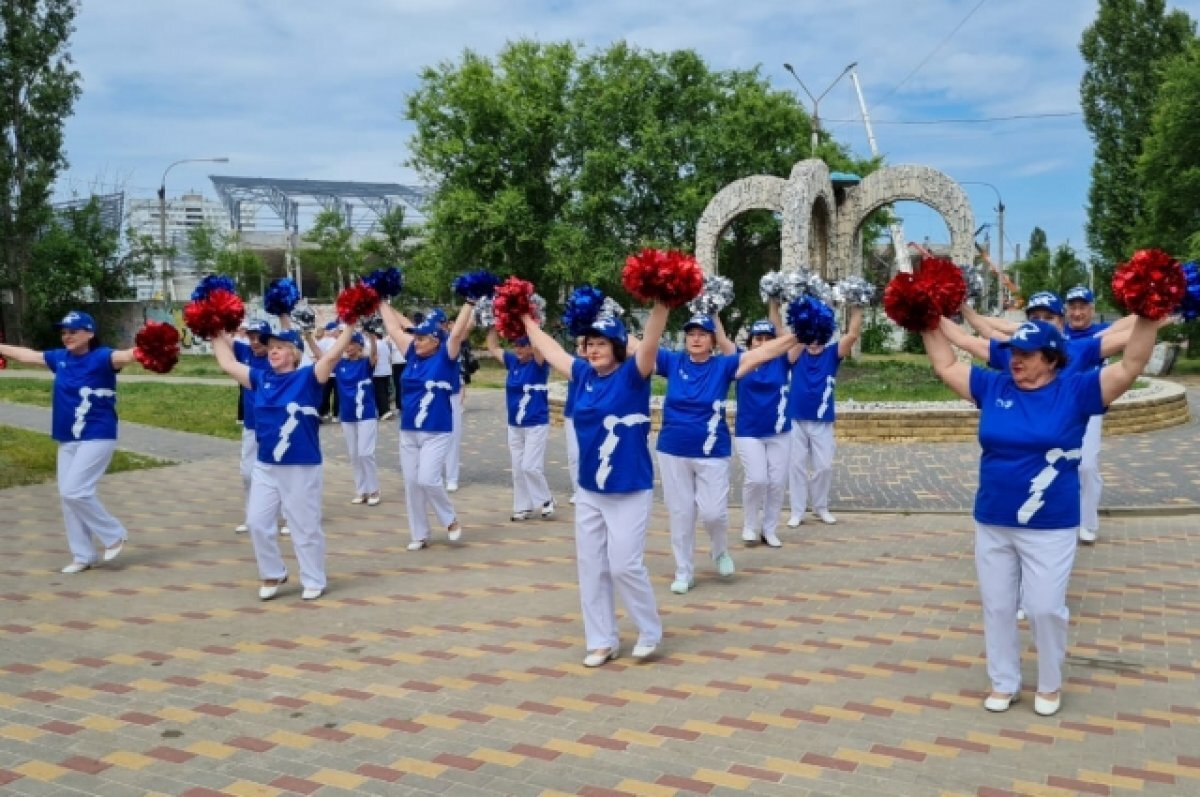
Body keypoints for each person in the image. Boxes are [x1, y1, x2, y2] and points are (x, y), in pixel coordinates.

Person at [921, 312, 1157, 717]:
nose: (1016, 360)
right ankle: (1004, 682)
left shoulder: (1077, 391)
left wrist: (1149, 317)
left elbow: (1130, 366)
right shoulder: (993, 386)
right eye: (1014, 352)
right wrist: (925, 318)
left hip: (1050, 524)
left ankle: (1050, 683)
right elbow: (945, 365)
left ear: (1050, 359)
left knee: (1044, 608)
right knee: (997, 607)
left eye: (1027, 354)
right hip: (993, 519)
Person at [521, 303, 669, 666]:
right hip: (589, 489)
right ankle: (602, 640)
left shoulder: (634, 374)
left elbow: (651, 339)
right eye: (589, 343)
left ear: (617, 346)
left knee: (624, 566)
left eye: (601, 343)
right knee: (591, 567)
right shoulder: (583, 374)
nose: (593, 349)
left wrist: (662, 303)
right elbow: (551, 350)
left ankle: (649, 630)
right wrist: (524, 318)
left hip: (630, 487)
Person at [952, 291, 1150, 545]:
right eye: (1035, 317)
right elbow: (981, 333)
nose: (1042, 322)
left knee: (1086, 466)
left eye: (1049, 317)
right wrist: (952, 308)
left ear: (1061, 320)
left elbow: (1126, 339)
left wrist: (1154, 311)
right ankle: (1023, 519)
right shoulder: (1020, 346)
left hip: (1076, 413)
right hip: (1031, 417)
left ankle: (1085, 522)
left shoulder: (1081, 345)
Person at [657, 314, 797, 595]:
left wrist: (801, 333)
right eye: (691, 334)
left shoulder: (724, 365)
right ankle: (684, 571)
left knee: (713, 513)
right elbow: (639, 346)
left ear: (713, 340)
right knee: (681, 514)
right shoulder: (672, 361)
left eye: (702, 334)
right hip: (673, 449)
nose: (696, 339)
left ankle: (719, 550)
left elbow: (764, 352)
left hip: (712, 451)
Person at [213, 322, 353, 601]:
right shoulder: (260, 378)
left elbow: (332, 356)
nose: (272, 352)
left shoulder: (308, 377)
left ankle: (313, 577)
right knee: (256, 522)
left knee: (304, 525)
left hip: (300, 464)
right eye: (271, 348)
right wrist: (212, 330)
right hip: (266, 464)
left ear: (294, 353)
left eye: (279, 347)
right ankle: (273, 572)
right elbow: (228, 363)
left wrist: (349, 324)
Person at [0, 311, 135, 573]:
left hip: (97, 435)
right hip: (68, 437)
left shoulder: (103, 357)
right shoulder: (60, 358)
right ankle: (83, 555)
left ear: (90, 333)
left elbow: (127, 355)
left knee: (75, 491)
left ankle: (114, 534)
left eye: (73, 331)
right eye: (64, 332)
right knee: (68, 497)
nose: (67, 336)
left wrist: (150, 348)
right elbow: (28, 355)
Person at [379, 301, 472, 550]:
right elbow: (393, 328)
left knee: (428, 479)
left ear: (435, 340)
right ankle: (419, 534)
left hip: (436, 430)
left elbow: (457, 333)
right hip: (409, 430)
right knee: (412, 484)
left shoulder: (446, 357)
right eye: (416, 338)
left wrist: (469, 302)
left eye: (421, 338)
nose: (416, 342)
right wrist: (380, 300)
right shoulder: (411, 353)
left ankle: (449, 519)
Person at [783, 305, 864, 528]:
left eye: (819, 337)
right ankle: (797, 511)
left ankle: (820, 507)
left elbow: (852, 335)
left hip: (822, 422)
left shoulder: (832, 354)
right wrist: (776, 304)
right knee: (796, 466)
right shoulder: (797, 353)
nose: (814, 342)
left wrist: (857, 307)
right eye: (811, 337)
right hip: (796, 419)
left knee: (824, 466)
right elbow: (782, 332)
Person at [732, 318, 793, 548]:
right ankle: (750, 526)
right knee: (757, 479)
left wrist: (778, 306)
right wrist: (714, 312)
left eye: (768, 338)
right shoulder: (740, 359)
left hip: (779, 432)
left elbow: (795, 340)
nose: (763, 343)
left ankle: (769, 529)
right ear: (750, 342)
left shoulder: (783, 359)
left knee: (776, 483)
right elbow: (721, 340)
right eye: (758, 338)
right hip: (749, 431)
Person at [484, 328, 555, 521]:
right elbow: (493, 346)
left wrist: (530, 323)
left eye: (523, 345)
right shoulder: (513, 362)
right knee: (518, 468)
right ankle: (523, 506)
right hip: (514, 424)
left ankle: (546, 499)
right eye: (516, 345)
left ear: (531, 348)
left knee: (530, 466)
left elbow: (540, 346)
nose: (518, 349)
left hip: (536, 422)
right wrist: (493, 324)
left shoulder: (539, 364)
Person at [332, 331, 381, 506]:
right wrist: (309, 338)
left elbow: (374, 356)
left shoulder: (365, 363)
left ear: (360, 345)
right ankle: (362, 491)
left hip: (366, 413)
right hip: (347, 414)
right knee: (354, 455)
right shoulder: (340, 364)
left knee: (365, 453)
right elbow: (322, 357)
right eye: (346, 343)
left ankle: (374, 489)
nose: (348, 347)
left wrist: (372, 339)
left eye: (352, 343)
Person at [233, 319, 271, 534]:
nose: (255, 342)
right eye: (252, 337)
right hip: (251, 425)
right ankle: (252, 517)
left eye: (260, 338)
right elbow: (222, 342)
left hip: (273, 426)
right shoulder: (245, 352)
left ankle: (287, 517)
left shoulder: (277, 357)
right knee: (248, 473)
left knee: (277, 473)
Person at [562, 336, 586, 504]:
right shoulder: (573, 363)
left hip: (592, 416)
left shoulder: (602, 364)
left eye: (585, 344)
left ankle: (590, 489)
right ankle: (578, 490)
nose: (581, 348)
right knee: (574, 454)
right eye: (579, 345)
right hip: (572, 414)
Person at [370, 330, 395, 421]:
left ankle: (383, 412)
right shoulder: (385, 344)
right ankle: (387, 410)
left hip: (378, 372)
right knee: (385, 392)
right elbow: (389, 357)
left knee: (380, 393)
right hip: (386, 371)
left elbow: (373, 357)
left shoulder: (375, 344)